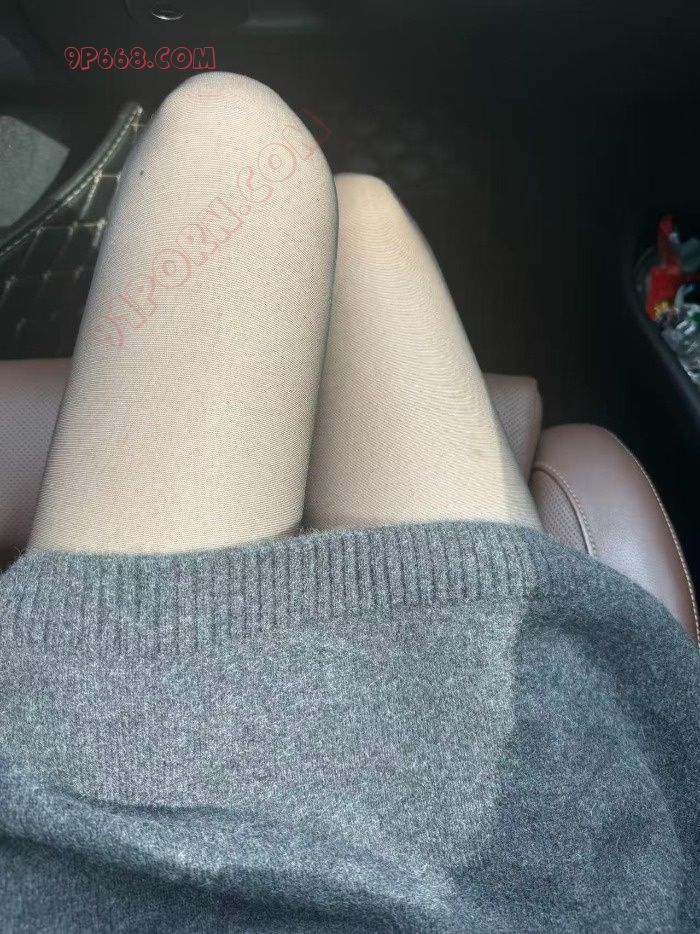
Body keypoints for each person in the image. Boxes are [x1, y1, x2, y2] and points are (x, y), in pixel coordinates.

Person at [0, 73, 697, 932]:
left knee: (236, 135)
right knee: (347, 201)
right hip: (523, 822)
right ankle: (335, 204)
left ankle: (325, 207)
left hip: (123, 787)